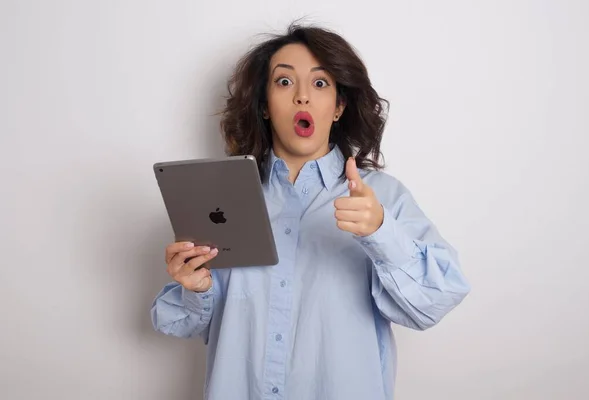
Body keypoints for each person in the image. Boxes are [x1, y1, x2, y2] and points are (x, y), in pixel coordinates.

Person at [151, 23, 470, 400]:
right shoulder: (224, 199)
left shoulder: (382, 197)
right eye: (284, 83)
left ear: (338, 107)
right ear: (265, 107)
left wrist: (380, 231)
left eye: (320, 84)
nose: (302, 96)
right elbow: (178, 323)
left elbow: (437, 301)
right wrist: (196, 287)